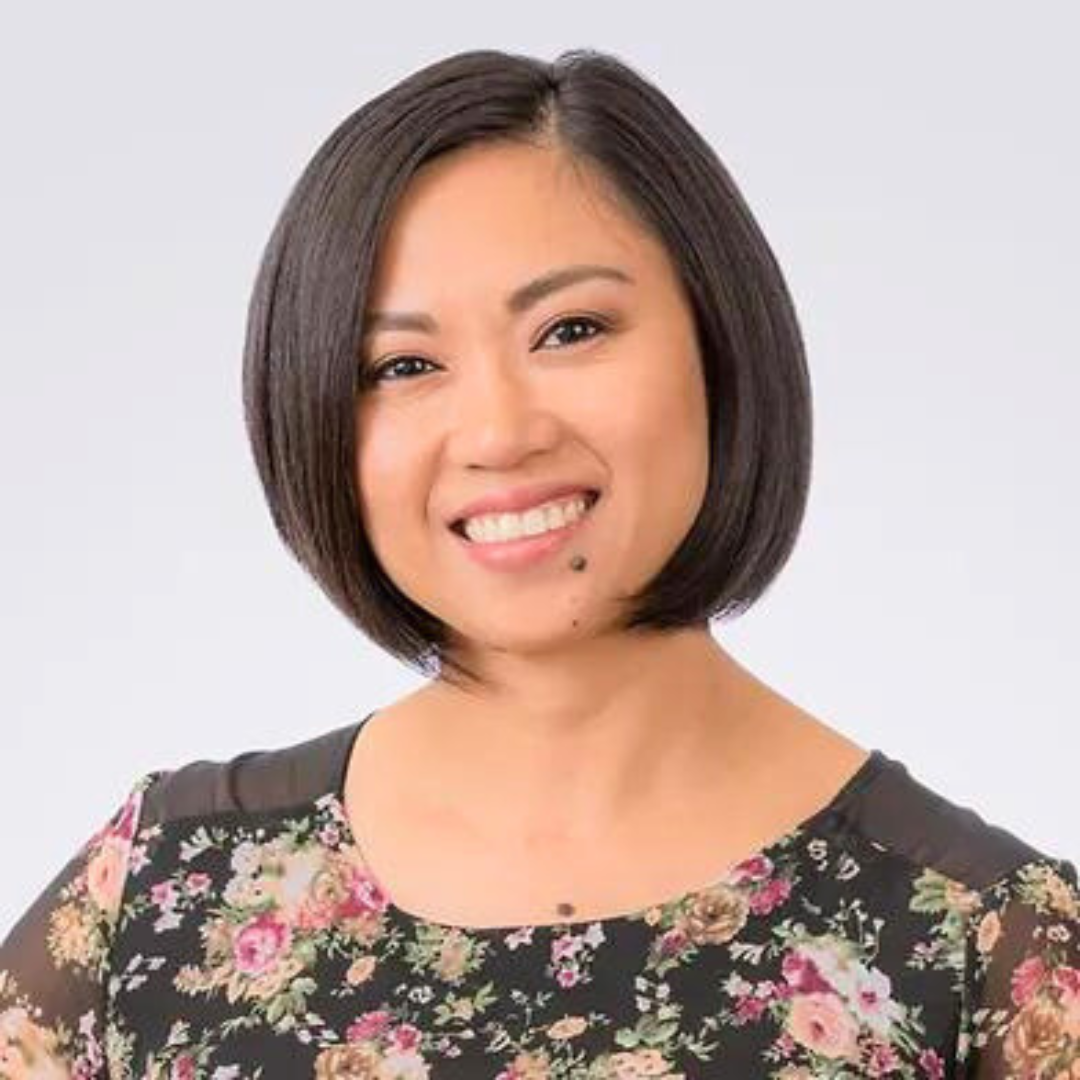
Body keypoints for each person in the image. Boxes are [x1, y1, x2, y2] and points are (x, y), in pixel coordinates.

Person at [2, 47, 1076, 1080]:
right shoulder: (163, 890)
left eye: (569, 330)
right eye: (404, 364)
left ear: (719, 344)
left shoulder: (983, 943)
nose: (498, 432)